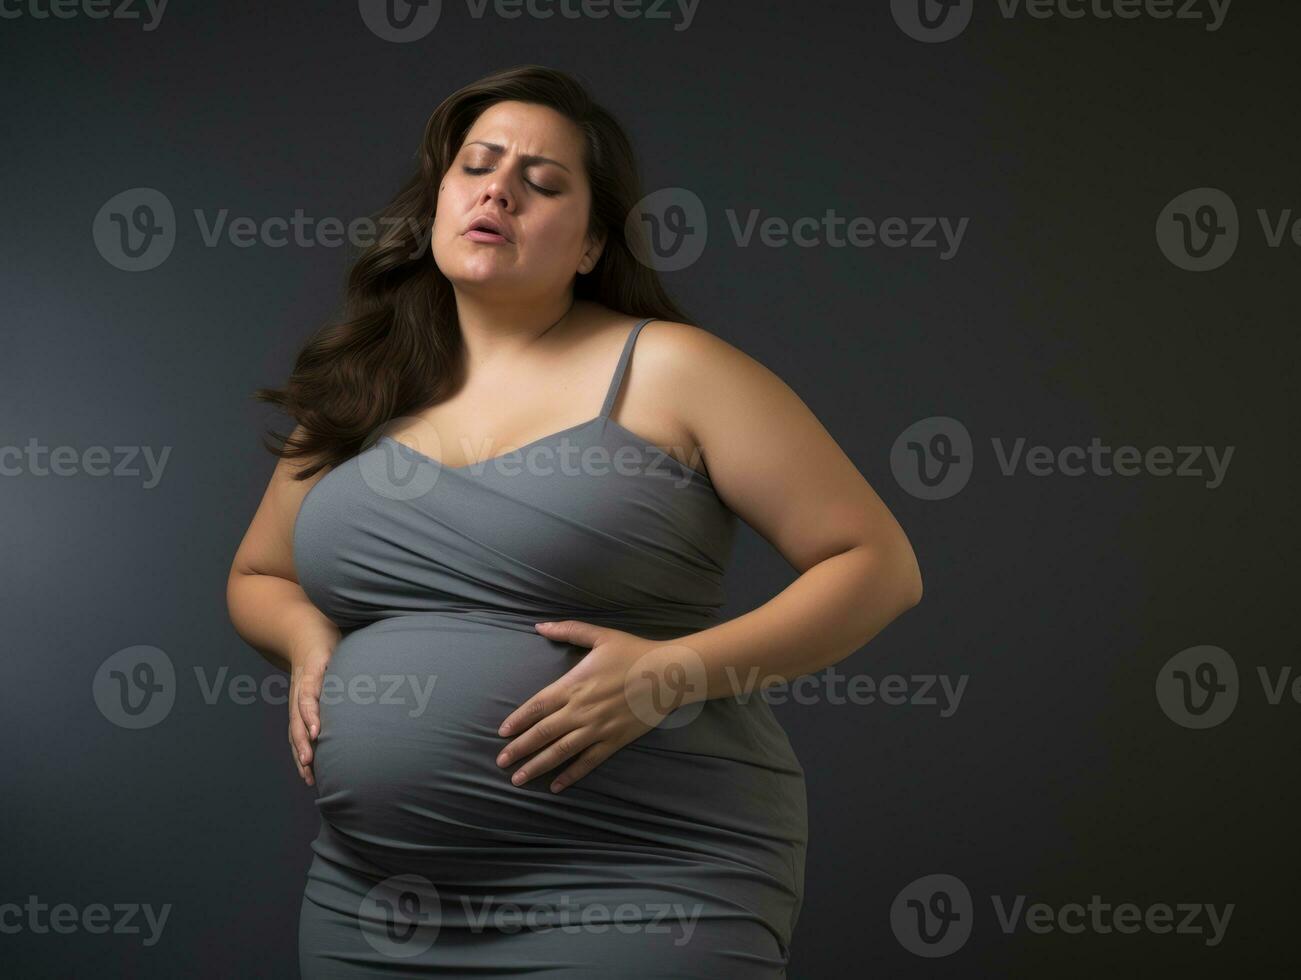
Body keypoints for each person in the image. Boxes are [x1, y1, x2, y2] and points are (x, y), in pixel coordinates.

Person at [226, 64, 922, 978]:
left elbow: (875, 565)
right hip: (376, 901)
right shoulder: (357, 389)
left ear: (591, 244)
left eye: (542, 181)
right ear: (437, 200)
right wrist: (316, 648)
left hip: (643, 878)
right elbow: (259, 577)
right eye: (477, 166)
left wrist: (673, 672)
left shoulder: (671, 370)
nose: (498, 190)